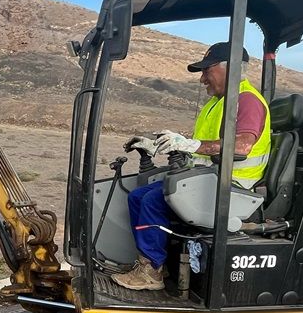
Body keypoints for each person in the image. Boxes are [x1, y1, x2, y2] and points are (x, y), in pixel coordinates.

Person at [112, 42, 272, 292]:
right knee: (138, 196)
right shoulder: (217, 103)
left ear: (227, 69)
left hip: (233, 187)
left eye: (206, 71)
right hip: (210, 179)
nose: (202, 79)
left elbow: (241, 147)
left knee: (154, 200)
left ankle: (151, 271)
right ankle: (154, 264)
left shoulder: (247, 101)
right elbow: (200, 152)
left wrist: (190, 144)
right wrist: (161, 146)